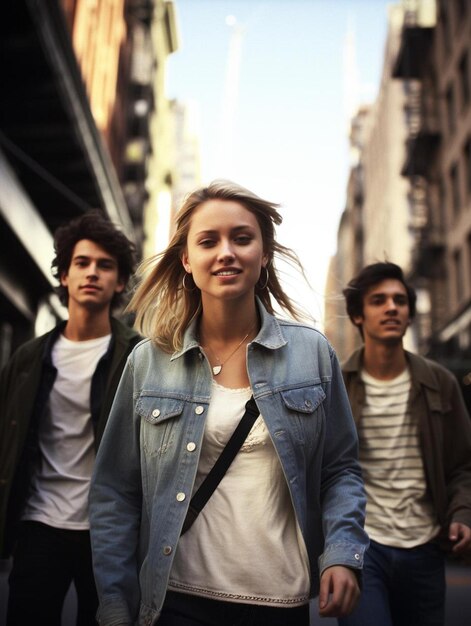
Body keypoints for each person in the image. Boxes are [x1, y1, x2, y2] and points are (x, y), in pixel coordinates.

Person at [89, 180, 368, 626]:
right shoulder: (148, 361)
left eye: (242, 238)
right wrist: (116, 604)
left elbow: (340, 470)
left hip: (278, 600)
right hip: (174, 599)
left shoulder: (311, 354)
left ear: (264, 254)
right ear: (186, 259)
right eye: (208, 241)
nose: (226, 252)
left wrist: (341, 552)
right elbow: (115, 492)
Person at [0, 210, 141, 626]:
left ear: (119, 282)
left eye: (104, 265)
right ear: (64, 276)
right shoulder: (28, 359)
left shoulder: (137, 357)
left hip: (110, 532)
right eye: (81, 263)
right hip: (40, 522)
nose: (92, 273)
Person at [339, 261, 471, 626]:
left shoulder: (439, 382)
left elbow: (463, 465)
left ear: (410, 314)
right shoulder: (339, 385)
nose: (392, 307)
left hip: (425, 549)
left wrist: (463, 514)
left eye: (399, 300)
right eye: (378, 300)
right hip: (361, 549)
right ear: (358, 316)